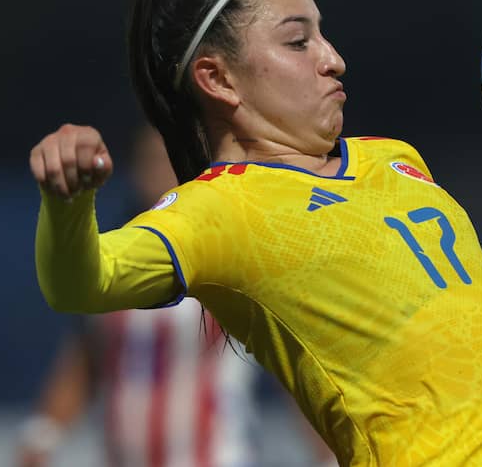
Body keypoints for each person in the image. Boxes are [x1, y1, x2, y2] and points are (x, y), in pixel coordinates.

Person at [29, 0, 482, 466]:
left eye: (323, 34)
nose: (333, 58)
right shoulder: (221, 210)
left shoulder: (394, 156)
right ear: (218, 78)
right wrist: (68, 203)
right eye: (297, 41)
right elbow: (81, 285)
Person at [20, 126, 334, 467]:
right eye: (150, 161)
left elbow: (291, 366)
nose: (159, 172)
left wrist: (329, 452)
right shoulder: (111, 261)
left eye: (170, 161)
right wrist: (42, 435)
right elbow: (85, 360)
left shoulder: (227, 255)